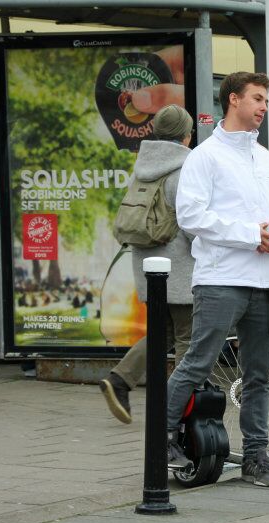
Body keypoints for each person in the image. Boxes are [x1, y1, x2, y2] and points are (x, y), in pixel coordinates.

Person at [166, 71, 269, 485]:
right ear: (234, 100)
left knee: (259, 374)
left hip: (263, 281)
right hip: (221, 278)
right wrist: (249, 236)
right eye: (257, 98)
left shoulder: (264, 157)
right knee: (198, 362)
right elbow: (190, 216)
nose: (263, 107)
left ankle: (256, 458)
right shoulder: (204, 157)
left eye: (267, 101)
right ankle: (164, 437)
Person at [100, 105, 196, 427]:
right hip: (181, 271)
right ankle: (182, 409)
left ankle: (120, 380)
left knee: (161, 332)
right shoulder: (185, 171)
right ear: (186, 134)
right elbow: (193, 226)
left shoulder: (143, 166)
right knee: (188, 337)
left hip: (148, 270)